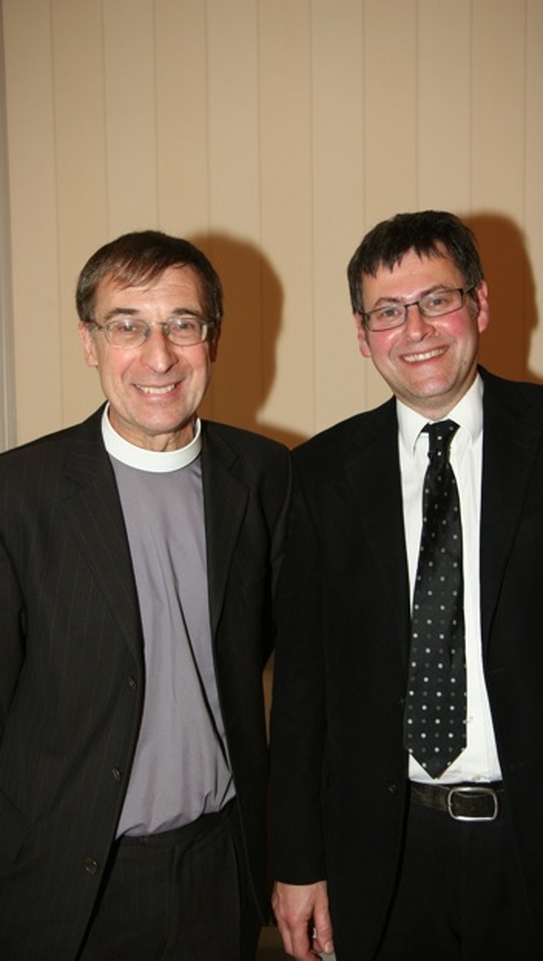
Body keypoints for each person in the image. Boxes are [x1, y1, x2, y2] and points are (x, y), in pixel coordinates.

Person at [269, 210, 543, 961]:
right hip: (383, 856)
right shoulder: (317, 474)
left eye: (436, 299)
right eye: (388, 311)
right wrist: (297, 863)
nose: (416, 329)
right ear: (362, 331)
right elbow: (304, 688)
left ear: (480, 303)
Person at [0, 230, 290, 961]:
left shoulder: (265, 476)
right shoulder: (19, 495)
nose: (157, 356)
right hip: (68, 886)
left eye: (181, 325)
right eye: (127, 325)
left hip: (220, 872)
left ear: (212, 339)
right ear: (90, 342)